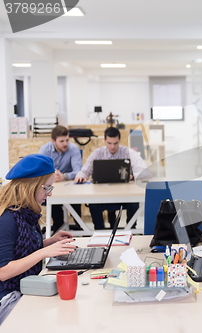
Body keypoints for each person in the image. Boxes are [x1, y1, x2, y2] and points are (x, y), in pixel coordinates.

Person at [0, 154, 76, 325]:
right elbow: (3, 271)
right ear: (31, 186)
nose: (49, 194)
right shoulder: (6, 219)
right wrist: (43, 252)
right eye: (46, 188)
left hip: (24, 286)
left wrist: (49, 243)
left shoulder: (25, 213)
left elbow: (19, 250)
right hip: (6, 298)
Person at [74, 127, 152, 229]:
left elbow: (146, 172)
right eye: (109, 143)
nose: (112, 147)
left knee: (134, 202)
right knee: (93, 203)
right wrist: (81, 176)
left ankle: (131, 229)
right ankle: (99, 231)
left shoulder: (128, 152)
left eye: (115, 143)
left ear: (119, 140)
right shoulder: (98, 153)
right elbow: (85, 170)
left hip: (125, 194)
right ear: (104, 141)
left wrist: (132, 176)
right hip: (102, 194)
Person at [38, 125, 83, 232]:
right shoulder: (44, 150)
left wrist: (64, 176)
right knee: (51, 197)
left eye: (67, 140)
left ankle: (80, 228)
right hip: (50, 186)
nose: (65, 144)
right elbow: (39, 171)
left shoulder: (73, 149)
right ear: (53, 141)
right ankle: (58, 227)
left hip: (69, 186)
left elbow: (78, 171)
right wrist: (52, 176)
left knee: (76, 198)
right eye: (62, 141)